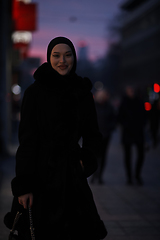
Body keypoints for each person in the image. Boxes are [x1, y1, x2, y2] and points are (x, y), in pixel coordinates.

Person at [4, 37, 107, 240]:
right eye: (56, 55)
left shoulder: (82, 93)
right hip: (39, 179)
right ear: (49, 57)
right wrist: (23, 187)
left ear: (74, 58)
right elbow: (27, 142)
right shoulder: (35, 93)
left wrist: (85, 161)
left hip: (72, 180)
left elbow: (94, 135)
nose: (63, 60)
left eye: (68, 55)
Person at [118, 85, 146, 185]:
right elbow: (120, 117)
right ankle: (129, 177)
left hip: (138, 132)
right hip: (128, 132)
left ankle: (137, 175)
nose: (132, 92)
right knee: (128, 156)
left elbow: (144, 116)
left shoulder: (139, 102)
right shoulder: (124, 103)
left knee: (141, 155)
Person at [91, 89, 116, 184]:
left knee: (103, 156)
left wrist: (110, 128)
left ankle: (100, 176)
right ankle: (94, 175)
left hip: (105, 135)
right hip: (95, 135)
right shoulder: (93, 106)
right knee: (94, 156)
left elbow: (113, 119)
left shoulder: (109, 107)